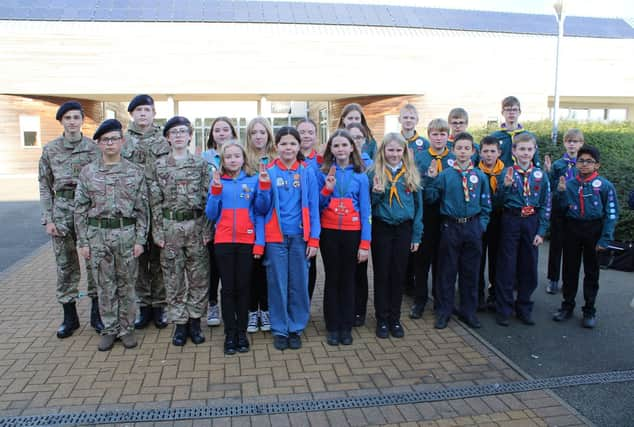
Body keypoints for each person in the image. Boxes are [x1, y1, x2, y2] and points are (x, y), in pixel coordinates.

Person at [74, 119, 148, 351]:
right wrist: (83, 241)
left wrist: (140, 240)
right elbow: (80, 209)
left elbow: (142, 209)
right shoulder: (88, 172)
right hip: (98, 235)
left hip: (126, 234)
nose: (110, 144)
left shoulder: (135, 172)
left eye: (114, 139)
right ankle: (109, 328)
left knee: (127, 284)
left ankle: (126, 329)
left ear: (122, 141)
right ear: (98, 143)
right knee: (104, 285)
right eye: (105, 140)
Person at [39, 101, 102, 338]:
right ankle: (70, 317)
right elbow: (45, 186)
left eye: (76, 117)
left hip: (88, 211)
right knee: (65, 265)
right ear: (61, 121)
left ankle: (96, 315)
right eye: (68, 118)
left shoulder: (93, 148)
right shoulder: (50, 150)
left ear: (82, 120)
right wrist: (48, 218)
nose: (72, 121)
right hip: (62, 211)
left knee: (94, 262)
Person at [148, 116, 211, 347]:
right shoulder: (158, 166)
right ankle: (180, 324)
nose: (178, 136)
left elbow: (208, 200)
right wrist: (158, 232)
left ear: (189, 136)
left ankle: (195, 322)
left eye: (183, 132)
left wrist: (207, 230)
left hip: (196, 227)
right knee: (173, 279)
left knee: (198, 277)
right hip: (170, 227)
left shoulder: (201, 165)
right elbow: (154, 202)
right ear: (167, 137)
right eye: (174, 132)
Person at [206, 141, 272, 354]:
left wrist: (263, 187)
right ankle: (230, 334)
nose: (233, 160)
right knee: (228, 289)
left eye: (237, 156)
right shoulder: (218, 181)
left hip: (247, 241)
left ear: (244, 158)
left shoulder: (253, 180)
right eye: (228, 157)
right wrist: (215, 191)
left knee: (244, 288)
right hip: (224, 242)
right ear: (223, 161)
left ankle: (242, 333)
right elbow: (211, 214)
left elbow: (262, 209)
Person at [260, 126, 320, 351]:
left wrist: (314, 239)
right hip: (275, 237)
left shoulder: (306, 172)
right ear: (276, 146)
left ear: (298, 146)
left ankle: (295, 327)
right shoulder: (269, 171)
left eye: (292, 143)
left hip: (299, 237)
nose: (288, 147)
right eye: (283, 143)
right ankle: (279, 328)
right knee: (277, 283)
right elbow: (261, 207)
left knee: (299, 283)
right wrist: (264, 187)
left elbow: (314, 207)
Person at [426, 132, 491, 329]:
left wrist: (481, 226)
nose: (463, 152)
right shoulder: (445, 175)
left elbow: (486, 204)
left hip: (472, 226)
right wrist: (430, 180)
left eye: (467, 148)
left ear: (473, 151)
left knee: (470, 272)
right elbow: (431, 199)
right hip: (451, 226)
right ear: (453, 151)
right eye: (459, 148)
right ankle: (444, 311)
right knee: (447, 271)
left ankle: (468, 311)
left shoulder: (479, 176)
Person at [553, 146, 618, 328]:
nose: (584, 164)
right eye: (581, 161)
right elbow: (561, 210)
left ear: (597, 165)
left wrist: (605, 238)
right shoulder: (569, 183)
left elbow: (611, 214)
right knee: (569, 270)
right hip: (572, 229)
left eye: (589, 161)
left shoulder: (605, 186)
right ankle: (567, 305)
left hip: (594, 230)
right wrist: (561, 193)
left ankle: (589, 309)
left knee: (591, 272)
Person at [316, 129, 371, 346]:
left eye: (344, 145)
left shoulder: (360, 176)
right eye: (336, 145)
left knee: (348, 279)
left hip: (352, 233)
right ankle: (332, 325)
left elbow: (366, 211)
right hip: (329, 233)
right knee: (332, 279)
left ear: (351, 148)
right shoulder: (322, 173)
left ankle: (346, 326)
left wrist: (365, 243)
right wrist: (327, 190)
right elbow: (317, 206)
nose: (340, 149)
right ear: (331, 148)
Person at [122, 94, 170, 330]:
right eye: (138, 110)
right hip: (133, 207)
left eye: (147, 110)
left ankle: (160, 306)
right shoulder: (122, 140)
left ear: (154, 113)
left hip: (159, 206)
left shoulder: (165, 139)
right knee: (139, 258)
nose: (143, 114)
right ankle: (144, 307)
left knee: (159, 258)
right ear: (132, 114)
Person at [368, 133, 423, 339]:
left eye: (398, 150)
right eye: (390, 150)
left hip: (404, 228)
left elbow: (419, 208)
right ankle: (382, 319)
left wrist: (416, 235)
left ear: (404, 152)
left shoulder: (411, 173)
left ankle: (395, 318)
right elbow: (367, 206)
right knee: (382, 274)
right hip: (382, 228)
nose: (394, 154)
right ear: (383, 151)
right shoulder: (373, 172)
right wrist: (377, 193)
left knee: (398, 274)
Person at [495, 132, 551, 326]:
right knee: (507, 267)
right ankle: (504, 309)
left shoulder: (540, 175)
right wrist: (505, 187)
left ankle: (524, 307)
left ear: (534, 150)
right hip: (511, 220)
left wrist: (541, 231)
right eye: (522, 149)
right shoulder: (507, 172)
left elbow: (546, 203)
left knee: (528, 267)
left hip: (531, 222)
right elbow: (498, 202)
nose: (526, 153)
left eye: (529, 149)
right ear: (514, 151)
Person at [409, 118, 456, 319]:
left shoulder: (453, 158)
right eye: (435, 134)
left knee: (442, 262)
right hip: (425, 214)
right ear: (429, 136)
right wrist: (429, 179)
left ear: (448, 136)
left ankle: (439, 301)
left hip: (446, 216)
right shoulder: (420, 158)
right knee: (422, 261)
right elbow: (415, 186)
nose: (438, 138)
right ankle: (420, 300)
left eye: (442, 134)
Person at [201, 117, 239, 328]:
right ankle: (213, 304)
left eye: (226, 129)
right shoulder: (204, 158)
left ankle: (232, 306)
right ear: (212, 134)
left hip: (234, 220)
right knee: (213, 266)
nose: (222, 133)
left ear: (233, 133)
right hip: (211, 217)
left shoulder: (239, 155)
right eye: (217, 130)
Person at [244, 117, 276, 333]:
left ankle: (265, 309)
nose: (258, 136)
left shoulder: (276, 159)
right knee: (250, 271)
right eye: (254, 132)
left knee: (266, 271)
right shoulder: (242, 158)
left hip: (271, 224)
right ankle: (251, 311)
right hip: (248, 225)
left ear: (269, 135)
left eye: (262, 132)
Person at [543, 128, 583, 294]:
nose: (572, 144)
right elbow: (549, 187)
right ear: (565, 143)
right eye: (569, 141)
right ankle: (553, 279)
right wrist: (548, 171)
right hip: (560, 210)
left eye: (575, 141)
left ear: (581, 144)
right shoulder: (559, 164)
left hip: (577, 212)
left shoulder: (584, 164)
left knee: (572, 249)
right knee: (556, 246)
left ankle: (568, 281)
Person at [345, 122, 373, 326]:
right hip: (346, 224)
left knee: (360, 271)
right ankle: (347, 306)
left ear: (364, 140)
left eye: (358, 138)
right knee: (346, 271)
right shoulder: (340, 164)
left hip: (367, 221)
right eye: (351, 138)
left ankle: (359, 311)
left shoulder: (371, 164)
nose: (355, 141)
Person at [476, 136, 505, 311]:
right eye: (485, 151)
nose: (489, 155)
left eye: (492, 151)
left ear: (499, 153)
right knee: (478, 259)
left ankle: (494, 294)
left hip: (500, 220)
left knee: (496, 259)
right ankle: (478, 294)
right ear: (480, 153)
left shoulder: (506, 173)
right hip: (479, 219)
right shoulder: (474, 173)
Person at [297, 118, 322, 303]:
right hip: (295, 219)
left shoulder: (321, 161)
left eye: (310, 132)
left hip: (318, 217)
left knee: (310, 262)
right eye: (302, 132)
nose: (306, 135)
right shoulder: (287, 157)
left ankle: (306, 301)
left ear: (315, 135)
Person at [489, 96, 540, 167]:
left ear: (519, 112)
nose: (511, 113)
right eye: (508, 110)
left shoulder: (529, 136)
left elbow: (535, 161)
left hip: (525, 176)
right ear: (502, 112)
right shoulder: (494, 137)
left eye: (514, 110)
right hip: (501, 175)